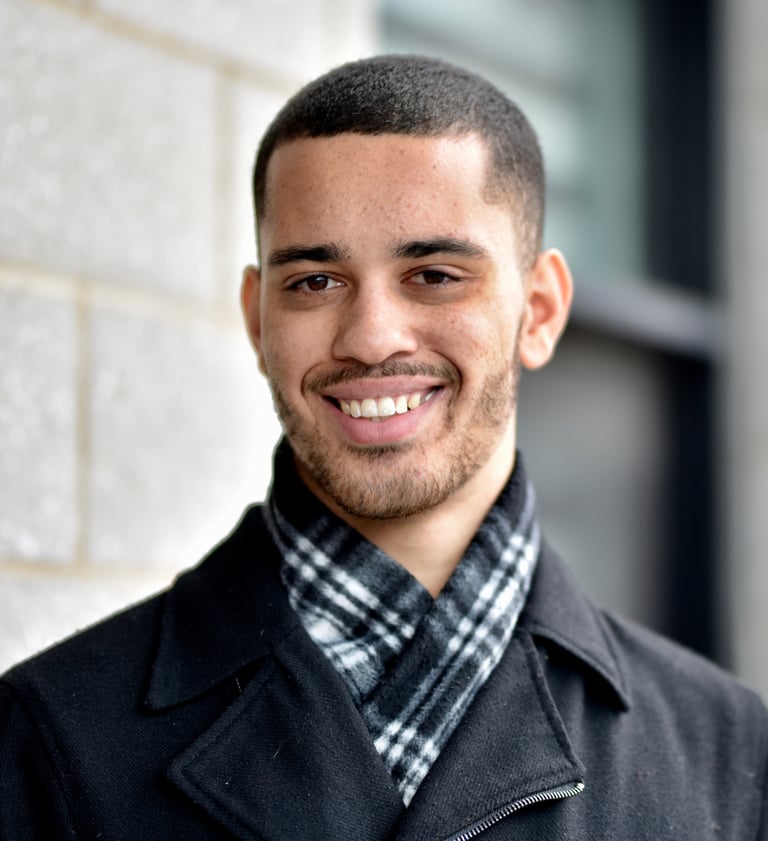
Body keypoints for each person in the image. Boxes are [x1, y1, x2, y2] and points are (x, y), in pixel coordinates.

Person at [1, 55, 766, 841]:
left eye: (433, 274)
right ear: (259, 321)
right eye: (314, 283)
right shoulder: (46, 739)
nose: (370, 339)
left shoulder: (731, 753)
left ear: (538, 311)